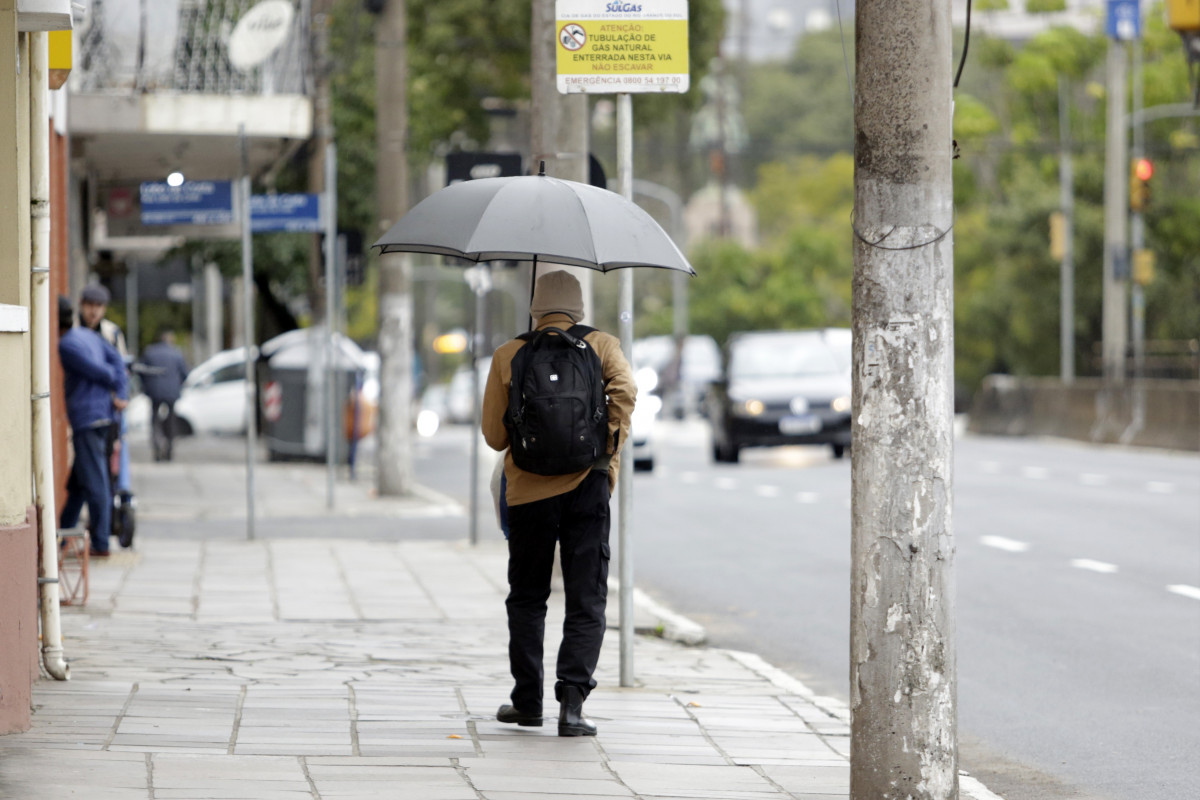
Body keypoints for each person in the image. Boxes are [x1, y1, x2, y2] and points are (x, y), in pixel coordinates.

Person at [481, 271, 636, 737]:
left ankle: (526, 702)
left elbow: (493, 436)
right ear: (579, 307)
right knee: (586, 598)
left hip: (527, 491)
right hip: (587, 486)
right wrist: (605, 452)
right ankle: (572, 706)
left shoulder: (509, 353)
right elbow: (626, 394)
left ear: (534, 307)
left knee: (528, 597)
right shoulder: (603, 346)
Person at [58, 296, 128, 557]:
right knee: (78, 483)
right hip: (103, 416)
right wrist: (120, 390)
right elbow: (118, 362)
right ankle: (62, 534)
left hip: (88, 419)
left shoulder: (68, 344)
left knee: (96, 483)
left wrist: (114, 382)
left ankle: (100, 544)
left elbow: (103, 370)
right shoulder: (90, 336)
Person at [78, 283, 132, 493]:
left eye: (99, 306)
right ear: (82, 305)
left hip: (108, 402)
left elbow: (122, 369)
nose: (94, 311)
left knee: (120, 441)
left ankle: (122, 489)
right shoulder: (74, 330)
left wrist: (120, 395)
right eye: (90, 305)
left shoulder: (112, 333)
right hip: (83, 401)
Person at [135, 329, 189, 461]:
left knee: (155, 420)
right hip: (171, 392)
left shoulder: (150, 351)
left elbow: (140, 370)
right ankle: (169, 448)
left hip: (154, 391)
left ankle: (157, 446)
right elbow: (185, 373)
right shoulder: (177, 353)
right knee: (171, 420)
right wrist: (178, 385)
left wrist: (146, 384)